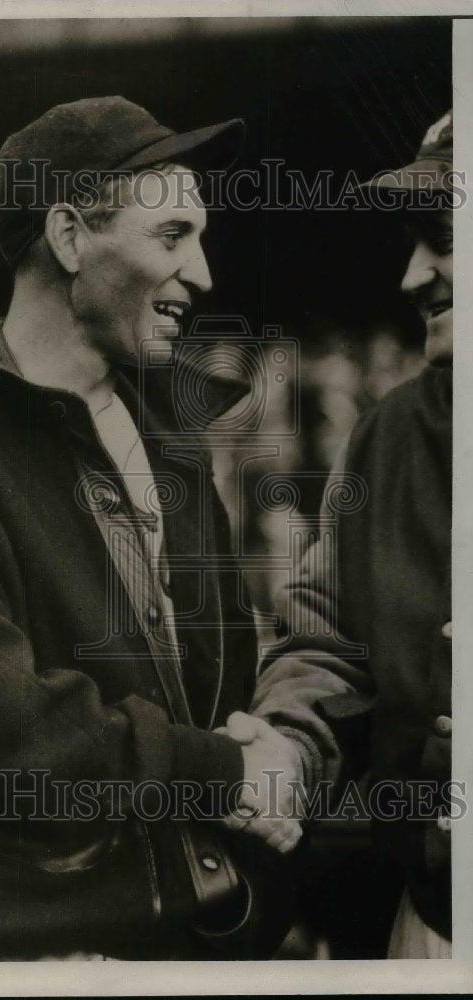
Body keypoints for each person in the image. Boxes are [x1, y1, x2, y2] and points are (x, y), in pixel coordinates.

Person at [0, 96, 318, 961]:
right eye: (171, 237)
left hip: (161, 939)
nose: (204, 273)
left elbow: (216, 687)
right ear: (72, 236)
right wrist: (223, 772)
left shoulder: (171, 447)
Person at [239, 110, 454, 958]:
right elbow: (330, 648)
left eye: (443, 236)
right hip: (439, 923)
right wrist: (287, 751)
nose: (413, 274)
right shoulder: (391, 432)